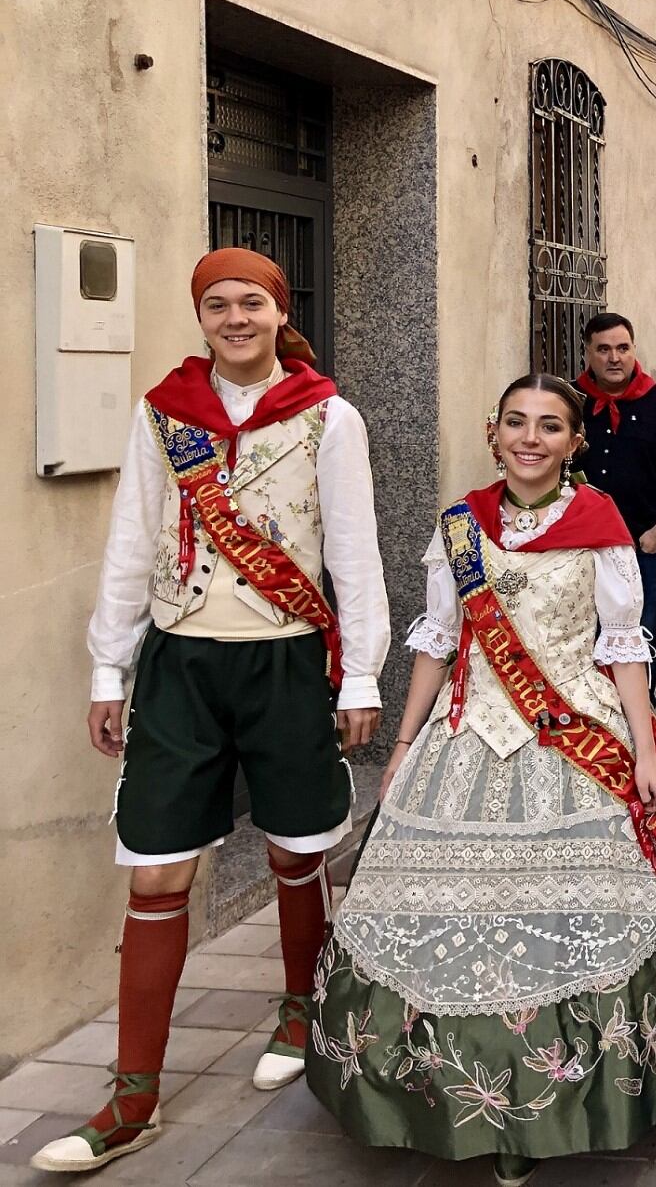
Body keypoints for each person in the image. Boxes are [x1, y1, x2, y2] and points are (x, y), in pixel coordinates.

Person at [306, 374, 656, 1187]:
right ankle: (447, 1097)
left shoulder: (601, 523)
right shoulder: (459, 526)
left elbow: (622, 646)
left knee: (573, 911)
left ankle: (557, 1100)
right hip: (468, 733)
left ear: (575, 441)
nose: (531, 438)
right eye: (517, 423)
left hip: (575, 730)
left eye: (550, 426)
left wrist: (646, 749)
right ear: (493, 432)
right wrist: (404, 741)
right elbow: (438, 640)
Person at [34, 249, 391, 1175]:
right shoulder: (164, 415)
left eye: (253, 303)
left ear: (280, 313)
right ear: (201, 317)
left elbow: (355, 551)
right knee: (156, 870)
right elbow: (129, 539)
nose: (235, 319)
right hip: (180, 665)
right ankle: (132, 1096)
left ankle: (303, 1009)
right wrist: (108, 669)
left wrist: (360, 676)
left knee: (295, 849)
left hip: (283, 662)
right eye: (218, 305)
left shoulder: (328, 416)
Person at [575, 312, 656, 703]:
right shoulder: (570, 402)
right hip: (577, 546)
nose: (615, 358)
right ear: (588, 353)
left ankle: (641, 720)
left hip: (639, 546)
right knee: (582, 634)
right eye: (604, 349)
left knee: (639, 635)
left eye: (623, 348)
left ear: (633, 350)